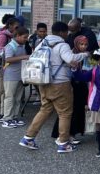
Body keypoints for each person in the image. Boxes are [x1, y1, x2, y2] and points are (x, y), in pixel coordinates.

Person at [18, 21, 89, 152]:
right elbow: (70, 58)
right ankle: (63, 143)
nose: (67, 34)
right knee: (65, 113)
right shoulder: (62, 45)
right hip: (61, 83)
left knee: (44, 110)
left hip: (44, 82)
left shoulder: (42, 43)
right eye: (66, 32)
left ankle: (28, 137)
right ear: (62, 32)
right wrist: (85, 54)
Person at [74, 49, 100, 158]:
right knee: (99, 125)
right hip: (98, 102)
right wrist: (75, 68)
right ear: (99, 62)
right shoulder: (94, 71)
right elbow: (80, 77)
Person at [51, 34, 90, 144]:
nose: (84, 46)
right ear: (76, 44)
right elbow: (72, 65)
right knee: (69, 110)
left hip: (81, 85)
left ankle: (72, 133)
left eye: (86, 44)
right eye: (81, 44)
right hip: (72, 83)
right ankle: (63, 134)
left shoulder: (86, 55)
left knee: (78, 110)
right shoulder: (72, 53)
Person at [0, 15, 20, 124]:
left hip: (7, 66)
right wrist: (10, 48)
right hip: (1, 66)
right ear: (10, 26)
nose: (17, 29)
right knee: (0, 90)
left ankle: (2, 112)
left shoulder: (11, 35)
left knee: (5, 91)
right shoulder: (3, 36)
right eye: (16, 27)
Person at [1, 26, 30, 129]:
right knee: (9, 97)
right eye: (24, 37)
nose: (26, 39)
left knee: (17, 98)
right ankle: (6, 119)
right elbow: (8, 59)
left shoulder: (22, 45)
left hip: (20, 75)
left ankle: (14, 117)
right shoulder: (10, 46)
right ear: (17, 36)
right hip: (10, 76)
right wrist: (24, 57)